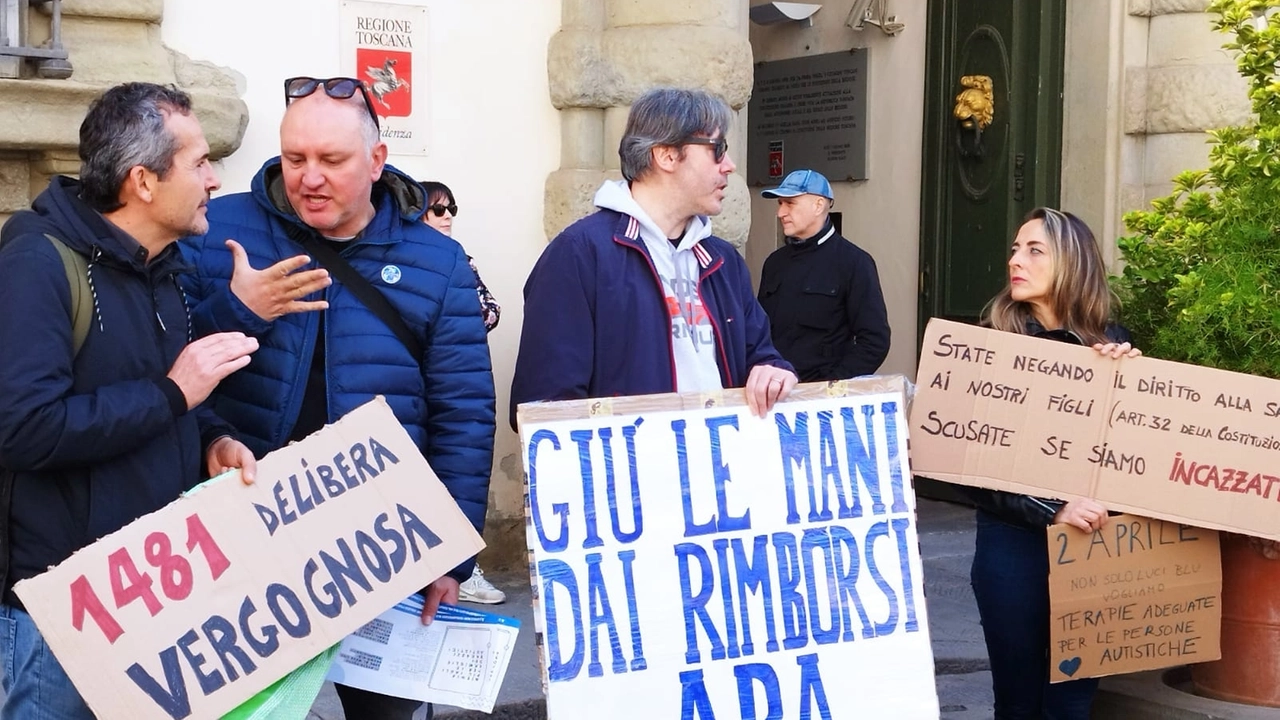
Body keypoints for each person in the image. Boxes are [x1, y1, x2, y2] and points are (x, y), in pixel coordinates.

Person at [180, 76, 495, 720]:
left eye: (331, 160)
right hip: (245, 532)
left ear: (377, 162)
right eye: (295, 159)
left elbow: (464, 412)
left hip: (381, 543)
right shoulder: (220, 230)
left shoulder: (438, 261)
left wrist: (454, 556)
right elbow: (168, 363)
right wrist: (239, 311)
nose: (309, 178)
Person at [0, 82, 258, 720]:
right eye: (199, 163)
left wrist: (212, 441)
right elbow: (24, 429)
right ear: (143, 182)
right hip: (58, 615)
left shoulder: (162, 264)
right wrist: (174, 394)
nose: (215, 179)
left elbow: (174, 396)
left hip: (150, 595)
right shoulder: (35, 263)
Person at [511, 87, 796, 425]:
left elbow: (760, 355)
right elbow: (547, 406)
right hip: (631, 473)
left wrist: (774, 371)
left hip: (722, 468)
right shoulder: (579, 255)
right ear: (666, 156)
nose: (730, 166)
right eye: (717, 150)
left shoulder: (722, 261)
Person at [968, 207, 1140, 719]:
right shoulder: (989, 347)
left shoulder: (1115, 344)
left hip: (1095, 552)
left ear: (1072, 262)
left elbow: (1135, 460)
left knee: (1071, 704)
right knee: (1017, 704)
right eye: (1016, 249)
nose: (1015, 260)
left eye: (1033, 250)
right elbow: (963, 467)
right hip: (1011, 549)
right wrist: (1051, 509)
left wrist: (1129, 387)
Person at [419, 179, 505, 605]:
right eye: (437, 209)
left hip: (456, 375)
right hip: (416, 390)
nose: (447, 215)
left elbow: (490, 310)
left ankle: (463, 569)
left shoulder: (458, 260)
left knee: (456, 473)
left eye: (452, 206)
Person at [757, 168, 890, 381]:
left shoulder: (854, 263)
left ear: (818, 206)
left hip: (822, 401)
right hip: (775, 393)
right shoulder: (774, 263)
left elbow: (874, 341)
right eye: (780, 203)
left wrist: (832, 387)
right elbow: (759, 334)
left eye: (790, 203)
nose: (780, 213)